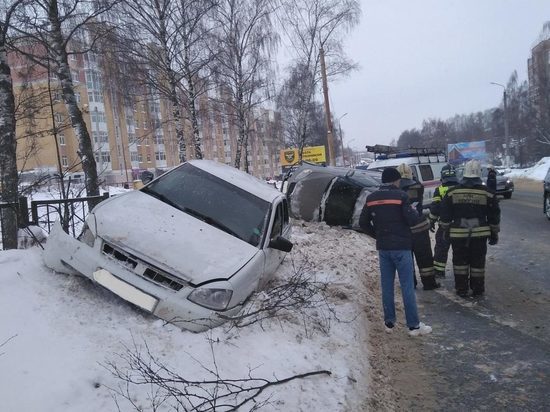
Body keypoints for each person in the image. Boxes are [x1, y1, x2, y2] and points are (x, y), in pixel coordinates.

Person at [359, 167, 432, 336]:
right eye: (398, 180)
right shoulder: (401, 196)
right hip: (401, 247)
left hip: (384, 248)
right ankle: (413, 326)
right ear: (395, 180)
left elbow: (363, 222)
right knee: (407, 286)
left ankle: (389, 322)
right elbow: (412, 220)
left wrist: (377, 235)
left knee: (387, 286)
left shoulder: (371, 198)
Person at [439, 159, 501, 297]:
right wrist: (494, 234)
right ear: (479, 173)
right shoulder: (488, 193)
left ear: (464, 174)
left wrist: (445, 230)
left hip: (458, 235)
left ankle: (461, 288)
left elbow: (445, 215)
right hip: (479, 236)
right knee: (478, 263)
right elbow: (494, 216)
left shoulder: (452, 192)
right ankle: (478, 288)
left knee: (460, 263)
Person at [396, 163, 440, 290]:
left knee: (406, 258)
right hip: (419, 226)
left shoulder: (395, 189)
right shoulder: (418, 186)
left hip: (404, 229)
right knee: (424, 257)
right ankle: (429, 283)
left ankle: (411, 283)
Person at [428, 164, 459, 278]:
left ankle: (439, 271)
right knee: (459, 249)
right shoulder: (460, 188)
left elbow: (435, 208)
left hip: (445, 225)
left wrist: (431, 221)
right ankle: (460, 272)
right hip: (460, 225)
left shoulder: (439, 190)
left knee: (441, 248)